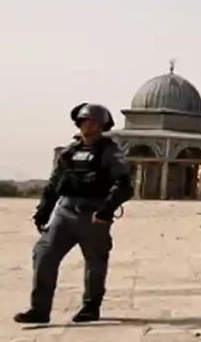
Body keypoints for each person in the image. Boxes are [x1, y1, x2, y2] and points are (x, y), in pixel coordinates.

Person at [15, 103, 134, 324]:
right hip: (65, 212)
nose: (89, 126)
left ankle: (90, 307)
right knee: (44, 255)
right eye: (85, 121)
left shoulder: (110, 153)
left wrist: (106, 211)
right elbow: (54, 185)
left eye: (94, 123)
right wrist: (43, 212)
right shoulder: (70, 152)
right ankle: (39, 309)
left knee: (95, 263)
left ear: (102, 126)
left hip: (93, 214)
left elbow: (124, 185)